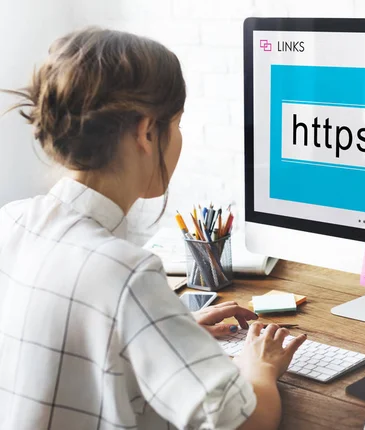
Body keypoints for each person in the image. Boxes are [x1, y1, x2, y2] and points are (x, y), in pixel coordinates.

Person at [0, 27, 306, 430]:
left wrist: (164, 330)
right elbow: (247, 422)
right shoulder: (126, 273)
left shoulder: (11, 221)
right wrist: (259, 367)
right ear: (146, 132)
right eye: (176, 124)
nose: (178, 138)